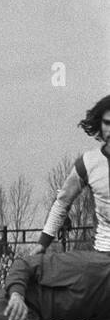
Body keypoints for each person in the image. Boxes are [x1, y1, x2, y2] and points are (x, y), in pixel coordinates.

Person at [39, 94, 110, 254]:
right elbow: (62, 203)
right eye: (107, 123)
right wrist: (42, 243)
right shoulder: (88, 162)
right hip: (103, 254)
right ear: (100, 124)